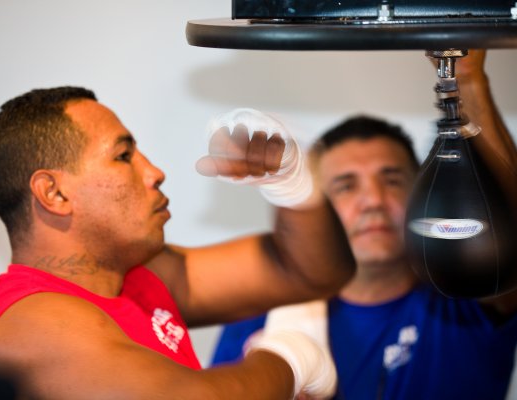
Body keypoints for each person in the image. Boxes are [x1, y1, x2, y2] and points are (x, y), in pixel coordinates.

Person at [0, 87, 355, 399]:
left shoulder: (138, 275)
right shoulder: (31, 324)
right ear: (54, 193)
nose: (155, 172)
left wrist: (293, 185)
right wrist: (290, 358)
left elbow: (310, 272)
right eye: (123, 156)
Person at [210, 49, 517, 400]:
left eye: (392, 180)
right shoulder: (261, 319)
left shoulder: (465, 297)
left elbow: (510, 237)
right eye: (346, 186)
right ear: (320, 208)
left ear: (421, 194)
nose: (373, 200)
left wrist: (467, 78)